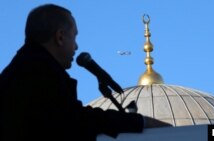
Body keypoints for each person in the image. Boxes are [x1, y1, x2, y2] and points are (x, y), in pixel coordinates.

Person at [0, 4, 146, 141]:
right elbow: (74, 121)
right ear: (60, 37)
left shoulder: (20, 69)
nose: (76, 47)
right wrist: (138, 121)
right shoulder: (40, 74)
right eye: (74, 37)